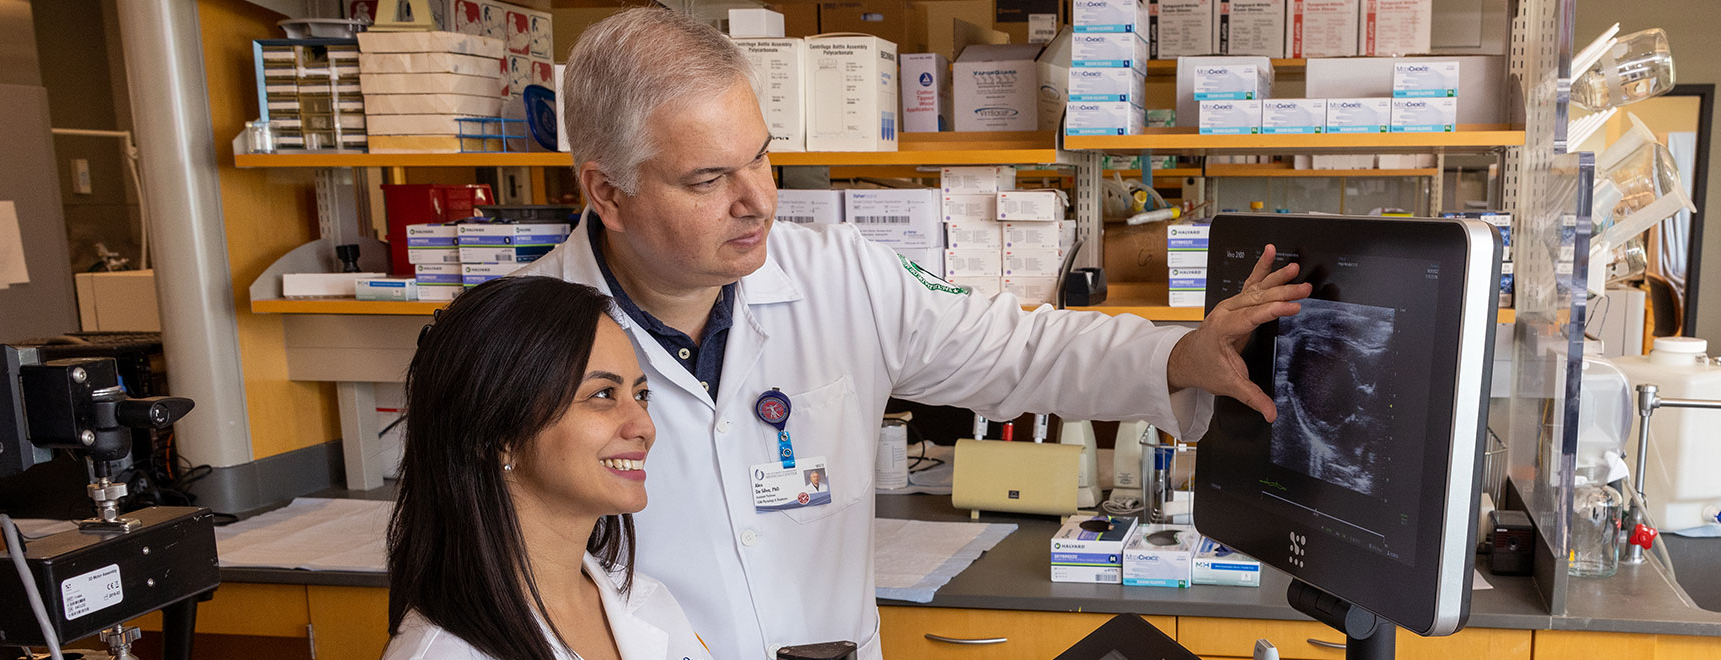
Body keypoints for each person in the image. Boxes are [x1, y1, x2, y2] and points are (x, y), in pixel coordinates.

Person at [529, 9, 1310, 658]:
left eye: (762, 159)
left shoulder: (841, 275)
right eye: (708, 180)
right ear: (607, 190)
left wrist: (1180, 353)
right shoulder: (513, 342)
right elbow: (476, 579)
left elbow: (1019, 350)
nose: (757, 202)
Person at [382, 276, 712, 660]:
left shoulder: (647, 601)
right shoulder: (447, 653)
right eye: (603, 394)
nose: (644, 427)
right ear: (498, 432)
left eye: (640, 395)